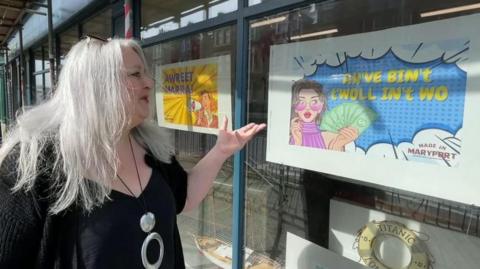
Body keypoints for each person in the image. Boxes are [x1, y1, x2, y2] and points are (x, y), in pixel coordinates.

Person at [0, 36, 265, 269]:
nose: (150, 82)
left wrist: (221, 151)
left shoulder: (151, 147)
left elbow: (184, 197)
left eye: (146, 73)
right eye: (136, 74)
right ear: (96, 85)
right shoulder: (33, 163)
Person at [289, 79, 358, 151]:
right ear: (295, 107)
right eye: (301, 102)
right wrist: (297, 142)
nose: (308, 107)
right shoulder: (289, 137)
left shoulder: (332, 138)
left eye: (314, 102)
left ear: (320, 107)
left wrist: (336, 145)